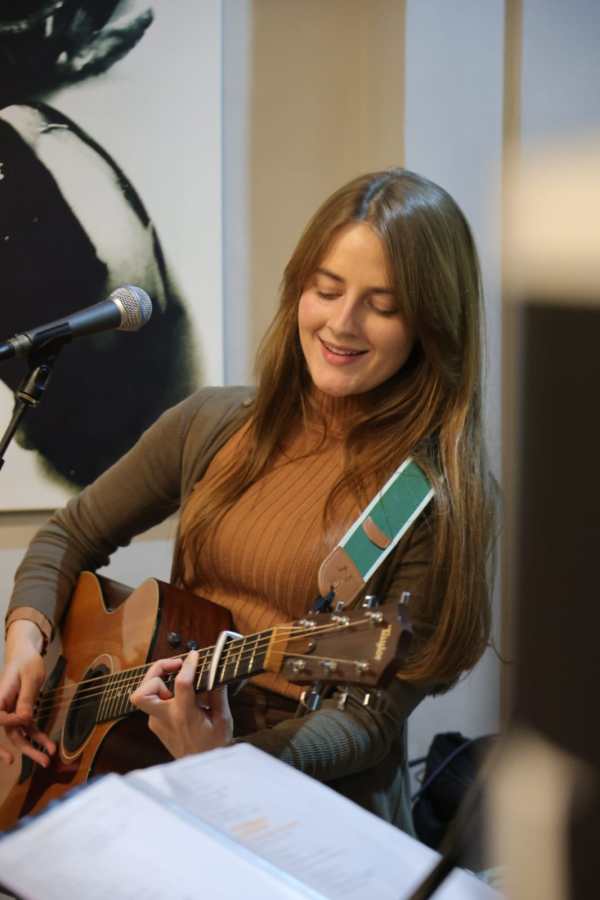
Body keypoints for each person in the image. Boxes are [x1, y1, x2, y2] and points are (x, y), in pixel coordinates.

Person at [0, 168, 495, 833]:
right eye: (326, 289)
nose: (341, 324)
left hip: (316, 823)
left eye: (383, 305)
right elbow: (69, 534)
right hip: (165, 785)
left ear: (431, 322)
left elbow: (366, 722)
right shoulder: (215, 423)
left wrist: (223, 765)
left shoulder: (427, 493)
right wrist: (26, 639)